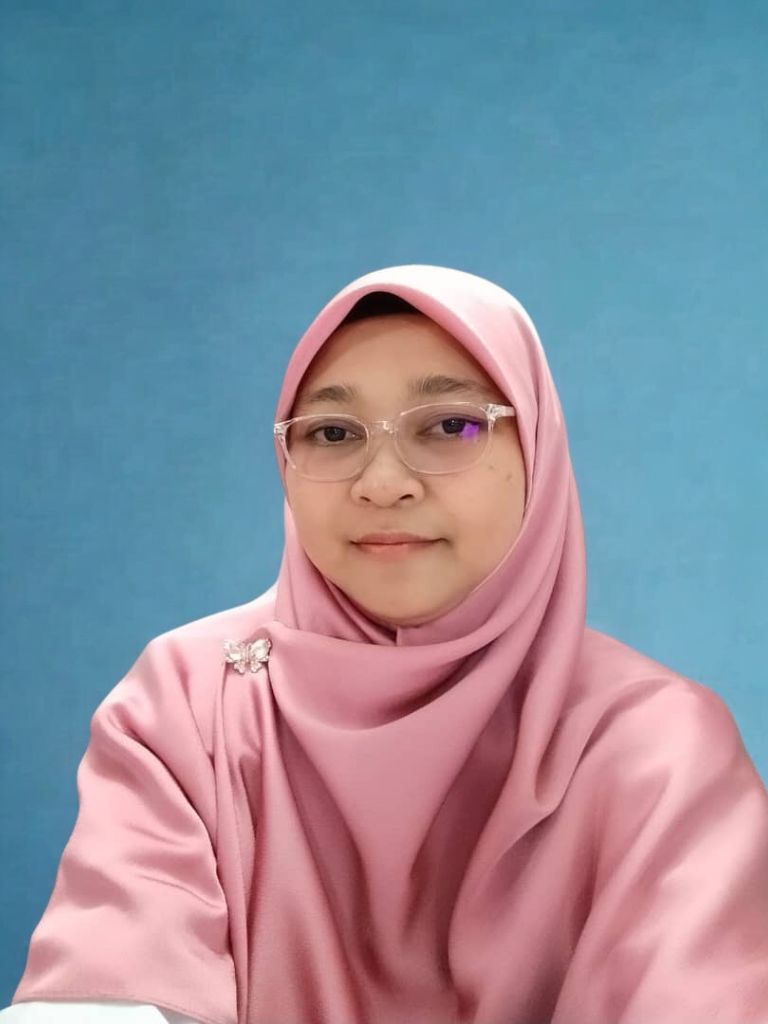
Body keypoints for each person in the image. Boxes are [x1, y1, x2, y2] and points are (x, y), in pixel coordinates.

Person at [3, 265, 767, 1024]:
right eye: (333, 433)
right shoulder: (189, 704)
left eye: (450, 425)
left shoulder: (654, 746)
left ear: (536, 448)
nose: (382, 482)